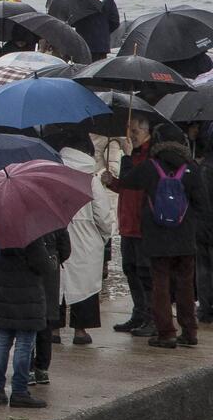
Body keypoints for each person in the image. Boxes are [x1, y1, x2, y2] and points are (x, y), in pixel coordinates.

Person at [121, 120, 205, 348]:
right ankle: (189, 332)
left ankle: (166, 332)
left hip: (157, 236)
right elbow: (202, 205)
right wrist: (189, 225)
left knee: (161, 284)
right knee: (186, 285)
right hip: (185, 237)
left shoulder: (150, 167)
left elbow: (127, 182)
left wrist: (127, 156)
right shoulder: (191, 169)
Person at [58, 136, 116, 347]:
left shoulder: (54, 174)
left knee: (58, 283)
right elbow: (102, 216)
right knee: (84, 286)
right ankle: (80, 331)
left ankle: (54, 328)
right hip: (87, 240)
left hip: (59, 237)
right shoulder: (91, 179)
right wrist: (104, 236)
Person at [103, 115, 155, 336]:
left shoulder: (148, 156)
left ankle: (151, 317)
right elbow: (127, 186)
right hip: (127, 224)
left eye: (135, 132)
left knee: (145, 274)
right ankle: (139, 313)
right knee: (130, 271)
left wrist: (126, 157)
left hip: (143, 225)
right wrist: (112, 182)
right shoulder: (133, 156)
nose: (131, 136)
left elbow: (136, 180)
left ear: (146, 132)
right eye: (130, 131)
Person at [0, 230, 53, 407]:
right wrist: (51, 261)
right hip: (27, 298)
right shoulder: (30, 234)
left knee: (1, 342)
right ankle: (19, 391)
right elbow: (43, 265)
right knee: (24, 345)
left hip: (2, 296)